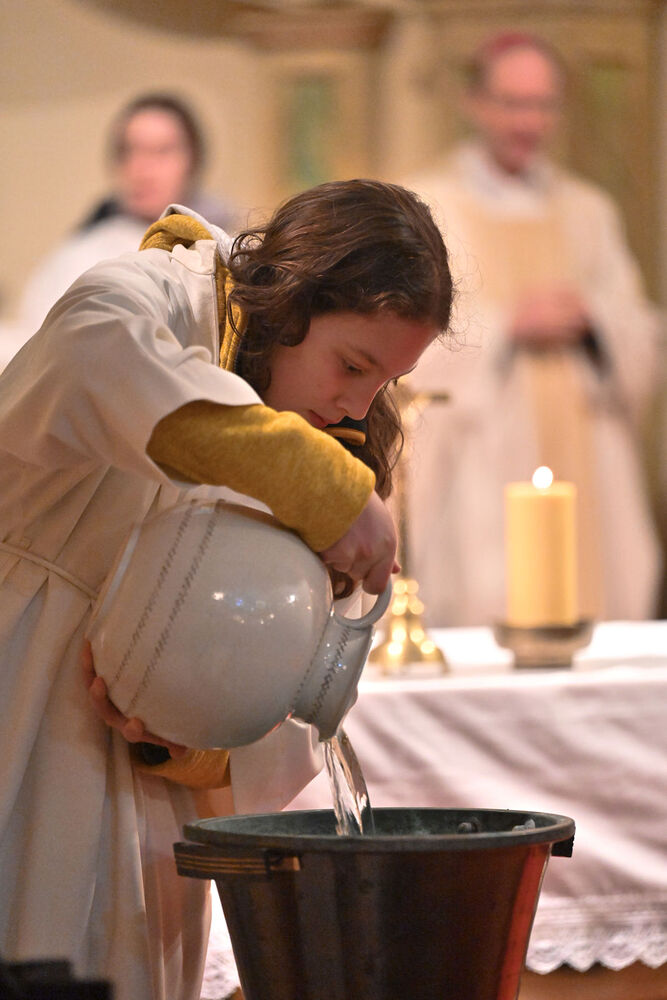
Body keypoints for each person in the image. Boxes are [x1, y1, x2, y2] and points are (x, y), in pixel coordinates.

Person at [0, 179, 453, 1000]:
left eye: (383, 381)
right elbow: (93, 352)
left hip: (140, 814)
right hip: (18, 697)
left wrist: (183, 735)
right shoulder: (157, 295)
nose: (356, 404)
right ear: (292, 298)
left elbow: (280, 714)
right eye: (351, 365)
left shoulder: (329, 425)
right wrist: (316, 484)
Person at [403, 31, 662, 627]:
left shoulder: (590, 210)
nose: (529, 122)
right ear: (474, 102)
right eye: (513, 103)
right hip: (484, 452)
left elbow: (641, 334)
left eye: (543, 105)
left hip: (589, 447)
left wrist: (594, 321)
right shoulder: (430, 205)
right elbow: (406, 339)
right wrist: (507, 325)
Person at [14, 92, 239, 341]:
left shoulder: (229, 251)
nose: (142, 169)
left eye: (162, 151)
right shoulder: (80, 258)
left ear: (193, 161)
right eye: (130, 151)